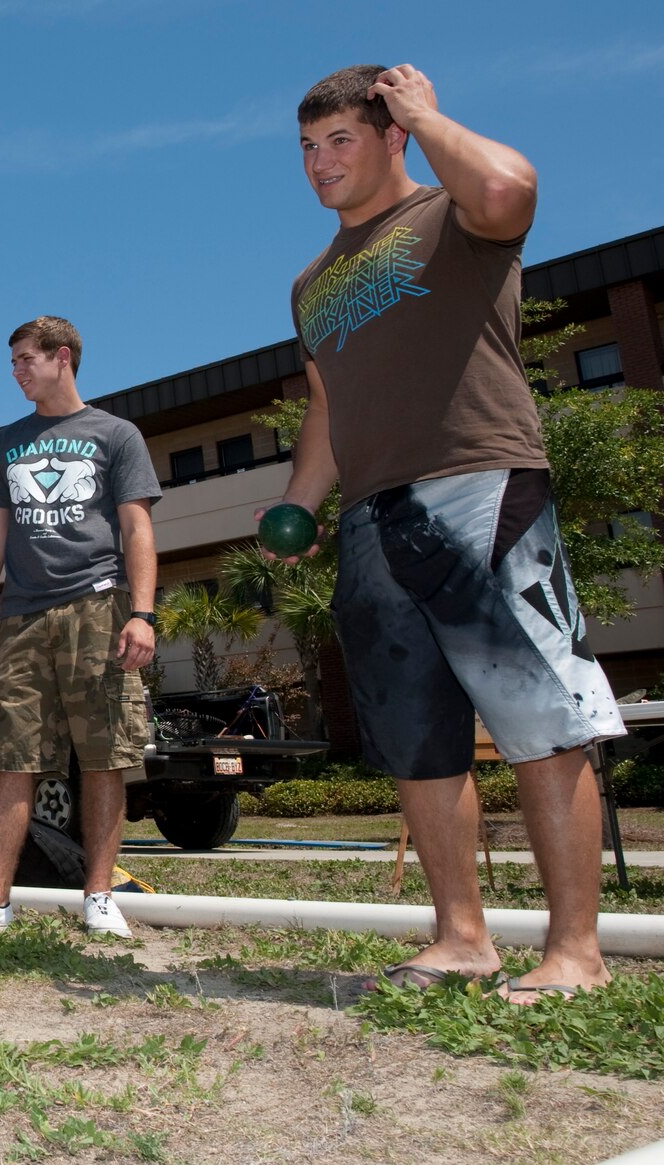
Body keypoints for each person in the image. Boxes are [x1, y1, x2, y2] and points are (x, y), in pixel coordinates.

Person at [278, 65, 623, 1001]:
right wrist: (304, 502)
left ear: (392, 137)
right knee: (414, 737)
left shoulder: (451, 215)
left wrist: (426, 114)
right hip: (373, 517)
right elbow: (326, 408)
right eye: (307, 147)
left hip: (481, 483)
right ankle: (462, 936)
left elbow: (513, 188)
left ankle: (577, 951)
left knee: (541, 721)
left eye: (341, 139)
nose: (319, 163)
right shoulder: (312, 283)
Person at [0, 316, 159, 938]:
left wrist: (141, 613)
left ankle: (99, 896)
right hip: (22, 616)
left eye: (24, 359)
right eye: (13, 361)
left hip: (99, 605)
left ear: (62, 357)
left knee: (102, 754)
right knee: (12, 754)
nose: (15, 371)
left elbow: (138, 527)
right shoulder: (4, 443)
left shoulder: (116, 434)